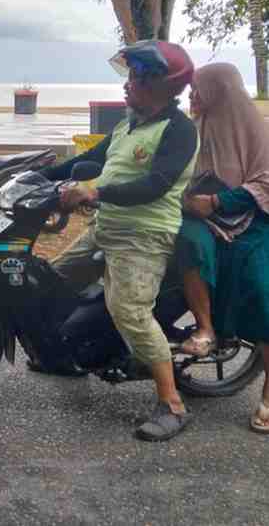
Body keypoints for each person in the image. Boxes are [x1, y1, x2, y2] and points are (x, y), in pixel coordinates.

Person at [41, 40, 197, 442]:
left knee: (130, 311)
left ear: (164, 85)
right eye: (129, 75)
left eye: (137, 77)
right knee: (53, 279)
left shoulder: (179, 130)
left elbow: (156, 185)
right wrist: (31, 174)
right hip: (107, 226)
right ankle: (67, 354)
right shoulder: (127, 124)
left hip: (144, 235)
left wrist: (95, 192)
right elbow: (87, 161)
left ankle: (172, 405)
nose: (128, 84)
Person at [173, 63, 269, 433]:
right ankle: (205, 328)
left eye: (198, 89)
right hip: (201, 218)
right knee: (187, 243)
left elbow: (265, 182)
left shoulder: (256, 129)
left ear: (219, 91)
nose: (192, 95)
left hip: (251, 220)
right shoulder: (194, 128)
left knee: (260, 289)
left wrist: (218, 202)